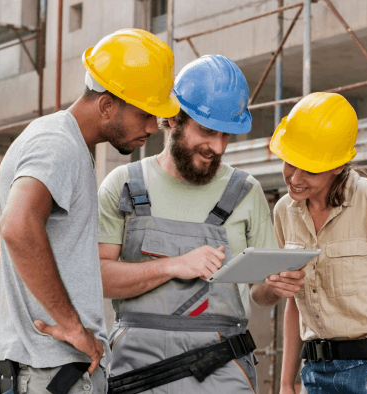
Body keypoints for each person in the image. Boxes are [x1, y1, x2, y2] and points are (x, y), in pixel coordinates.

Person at [97, 55, 305, 394]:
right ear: (174, 119)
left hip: (222, 369)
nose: (217, 147)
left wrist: (277, 286)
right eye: (208, 131)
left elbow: (260, 294)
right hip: (138, 373)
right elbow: (99, 278)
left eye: (227, 135)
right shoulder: (124, 184)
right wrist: (174, 266)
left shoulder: (246, 192)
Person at [0, 29, 179, 394]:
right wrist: (73, 326)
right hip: (50, 369)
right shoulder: (57, 144)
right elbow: (17, 226)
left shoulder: (66, 143)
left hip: (47, 369)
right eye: (144, 114)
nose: (153, 128)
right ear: (107, 105)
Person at [271, 93, 367, 394]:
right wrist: (286, 383)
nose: (295, 177)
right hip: (315, 374)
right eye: (290, 163)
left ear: (338, 167)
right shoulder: (284, 212)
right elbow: (294, 300)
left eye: (310, 169)